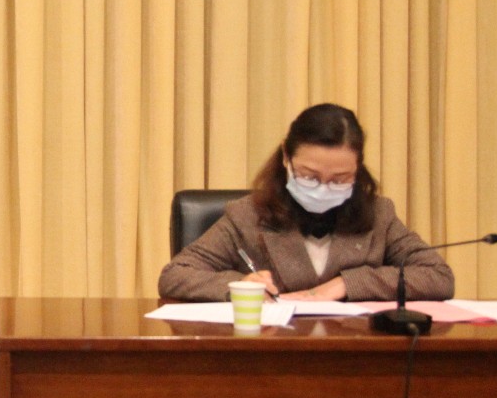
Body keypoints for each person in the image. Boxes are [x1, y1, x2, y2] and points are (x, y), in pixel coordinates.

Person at [158, 103, 453, 303]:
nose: (324, 188)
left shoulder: (378, 214)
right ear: (286, 157)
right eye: (309, 176)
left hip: (356, 354)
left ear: (358, 168)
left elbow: (438, 276)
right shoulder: (248, 216)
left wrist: (347, 284)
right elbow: (176, 275)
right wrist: (240, 285)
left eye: (339, 179)